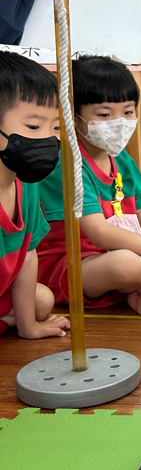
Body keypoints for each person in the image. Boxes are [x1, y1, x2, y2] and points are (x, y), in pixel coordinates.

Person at [38, 56, 141, 317]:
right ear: (73, 116)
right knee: (127, 264)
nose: (119, 122)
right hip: (77, 261)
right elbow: (99, 233)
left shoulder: (120, 157)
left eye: (128, 112)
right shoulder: (67, 163)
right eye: (104, 114)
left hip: (122, 248)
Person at [0, 53, 69, 337]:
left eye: (56, 127)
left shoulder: (26, 182)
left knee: (41, 301)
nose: (48, 139)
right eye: (33, 127)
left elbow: (27, 255)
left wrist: (29, 327)